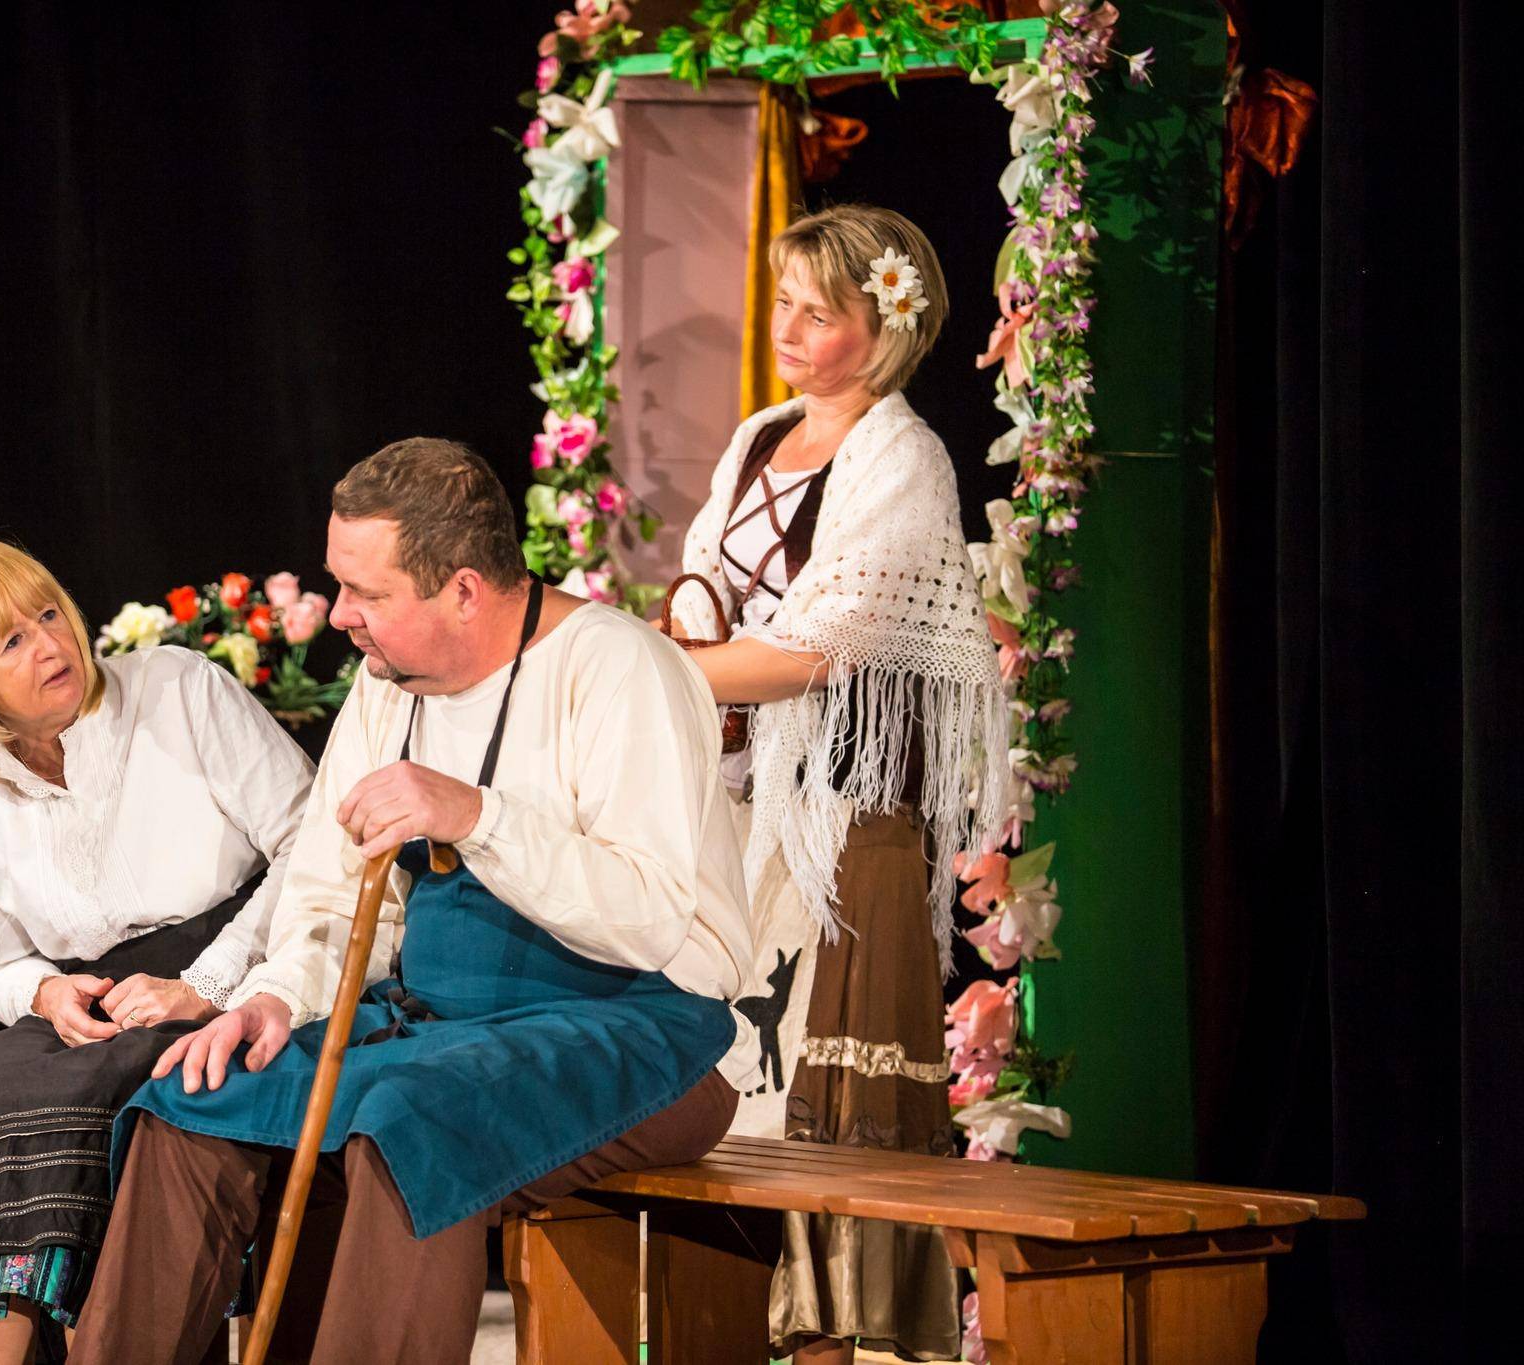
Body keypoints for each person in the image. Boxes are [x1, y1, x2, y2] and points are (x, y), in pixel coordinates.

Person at [66, 439, 759, 1365]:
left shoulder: (621, 670)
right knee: (195, 1091)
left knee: (408, 1123)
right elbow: (328, 891)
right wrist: (275, 998)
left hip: (645, 1031)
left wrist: (477, 815)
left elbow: (651, 914)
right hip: (439, 1023)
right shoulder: (387, 686)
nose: (341, 614)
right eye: (338, 585)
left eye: (367, 592)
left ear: (464, 590)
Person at [669, 204, 1014, 1363]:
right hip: (749, 798)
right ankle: (742, 1324)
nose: (789, 331)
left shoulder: (900, 458)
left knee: (835, 1073)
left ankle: (847, 1340)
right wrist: (683, 640)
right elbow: (708, 583)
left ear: (886, 328)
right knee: (746, 1065)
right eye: (785, 305)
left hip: (850, 813)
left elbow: (821, 647)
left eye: (819, 315)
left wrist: (662, 672)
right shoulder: (760, 436)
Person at [0, 536, 314, 1363]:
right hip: (100, 1005)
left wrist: (207, 981)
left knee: (99, 1102)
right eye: (12, 640)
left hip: (239, 963)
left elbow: (310, 846)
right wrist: (46, 993)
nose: (50, 644)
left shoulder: (179, 690)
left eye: (49, 614)